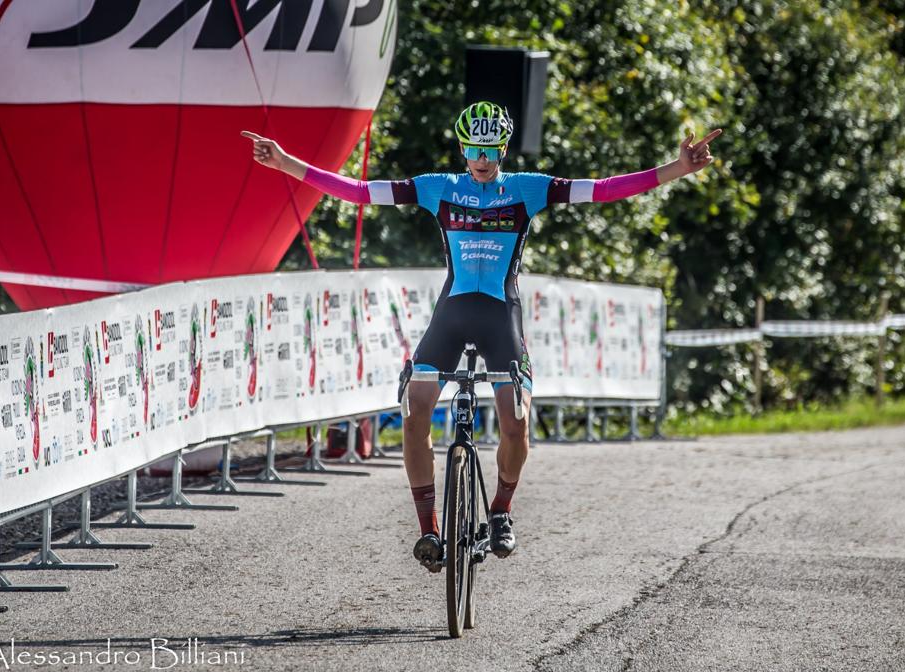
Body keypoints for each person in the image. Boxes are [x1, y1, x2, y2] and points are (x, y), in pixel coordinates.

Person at [242, 102, 720, 571]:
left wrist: (676, 168)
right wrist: (286, 162)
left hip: (500, 315)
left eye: (492, 150)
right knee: (415, 409)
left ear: (504, 149)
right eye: (476, 150)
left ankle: (500, 511)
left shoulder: (528, 190)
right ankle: (429, 528)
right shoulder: (438, 188)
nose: (484, 160)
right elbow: (361, 192)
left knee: (515, 419)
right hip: (452, 314)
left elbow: (604, 189)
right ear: (463, 149)